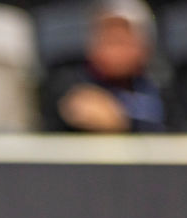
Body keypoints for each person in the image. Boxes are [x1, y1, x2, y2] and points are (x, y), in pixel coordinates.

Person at [52, 0, 168, 133]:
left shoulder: (161, 86)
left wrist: (121, 122)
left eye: (121, 41)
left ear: (145, 46)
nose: (114, 51)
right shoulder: (69, 83)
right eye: (107, 39)